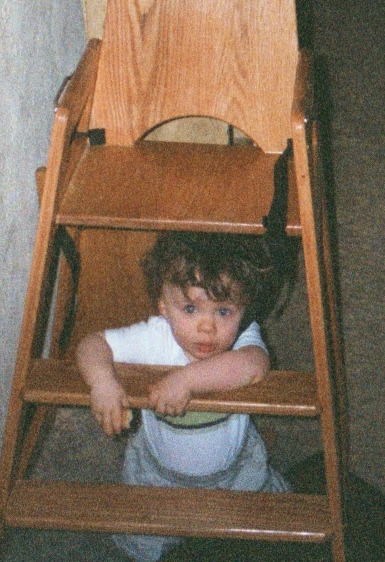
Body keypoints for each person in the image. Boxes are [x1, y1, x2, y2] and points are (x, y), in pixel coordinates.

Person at [76, 231, 291, 562]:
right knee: (148, 541)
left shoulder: (243, 338)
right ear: (163, 306)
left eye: (223, 312)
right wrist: (102, 382)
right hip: (160, 476)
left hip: (233, 474)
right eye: (190, 308)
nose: (207, 327)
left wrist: (188, 380)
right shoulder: (155, 337)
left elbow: (254, 366)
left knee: (260, 532)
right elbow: (91, 344)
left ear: (243, 309)